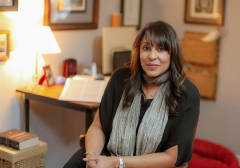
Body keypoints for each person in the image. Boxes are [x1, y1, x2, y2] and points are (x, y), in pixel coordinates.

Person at [63, 21, 200, 168]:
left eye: (161, 49)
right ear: (138, 50)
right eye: (146, 48)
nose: (152, 56)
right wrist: (92, 157)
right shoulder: (120, 78)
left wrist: (117, 162)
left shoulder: (187, 93)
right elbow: (98, 127)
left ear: (172, 53)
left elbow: (171, 157)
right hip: (106, 155)